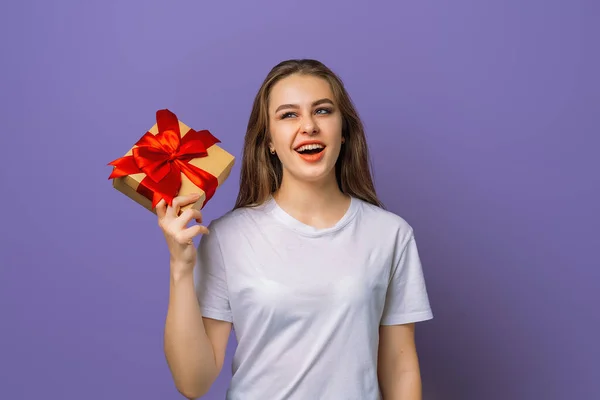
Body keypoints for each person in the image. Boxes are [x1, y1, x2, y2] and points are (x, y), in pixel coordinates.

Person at [156, 59, 433, 400]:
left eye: (323, 111)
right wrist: (180, 267)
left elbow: (400, 368)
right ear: (269, 141)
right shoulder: (227, 237)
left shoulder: (390, 235)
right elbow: (192, 383)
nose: (308, 126)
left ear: (343, 131)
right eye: (289, 114)